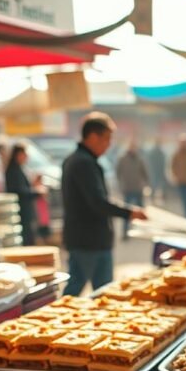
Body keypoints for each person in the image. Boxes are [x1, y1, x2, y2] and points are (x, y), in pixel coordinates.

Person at [61, 112, 147, 296]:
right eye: (106, 139)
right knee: (92, 293)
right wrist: (129, 212)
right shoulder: (83, 163)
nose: (109, 145)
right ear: (93, 137)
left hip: (85, 239)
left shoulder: (78, 160)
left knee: (94, 291)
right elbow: (98, 202)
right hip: (89, 241)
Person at [5, 144, 40, 246]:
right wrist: (36, 192)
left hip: (25, 210)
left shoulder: (19, 168)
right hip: (21, 211)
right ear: (19, 154)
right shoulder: (14, 170)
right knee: (26, 239)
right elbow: (20, 191)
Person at [116, 140, 150, 239]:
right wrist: (120, 184)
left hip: (138, 188)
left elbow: (145, 173)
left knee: (141, 211)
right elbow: (118, 172)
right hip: (127, 188)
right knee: (126, 212)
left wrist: (146, 184)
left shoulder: (140, 159)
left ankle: (142, 231)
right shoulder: (122, 159)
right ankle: (125, 232)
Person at [146, 138, 168, 203]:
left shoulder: (159, 152)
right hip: (155, 171)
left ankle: (157, 198)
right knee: (155, 185)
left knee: (158, 186)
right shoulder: (155, 152)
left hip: (157, 171)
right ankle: (154, 198)